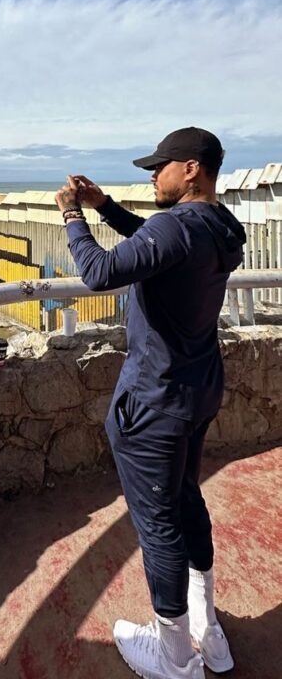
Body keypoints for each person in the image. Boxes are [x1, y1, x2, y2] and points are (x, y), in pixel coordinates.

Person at [55, 127, 245, 679]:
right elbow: (157, 247)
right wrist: (106, 206)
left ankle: (175, 658)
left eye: (158, 167)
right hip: (198, 390)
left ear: (190, 169)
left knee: (158, 525)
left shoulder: (175, 226)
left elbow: (101, 272)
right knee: (187, 502)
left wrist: (73, 216)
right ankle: (209, 635)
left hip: (154, 402)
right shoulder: (221, 226)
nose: (151, 176)